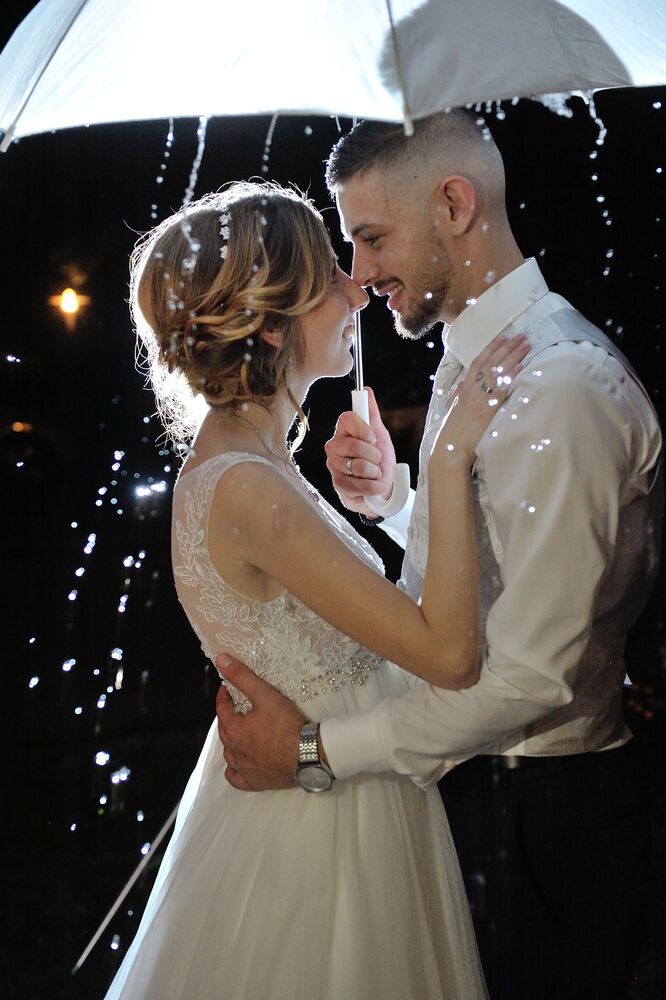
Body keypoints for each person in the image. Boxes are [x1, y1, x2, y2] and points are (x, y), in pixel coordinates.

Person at [215, 114, 664, 1000]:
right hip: (473, 791)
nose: (358, 273)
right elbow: (510, 556)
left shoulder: (563, 386)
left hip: (541, 820)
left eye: (373, 238)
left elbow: (532, 677)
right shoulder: (488, 358)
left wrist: (316, 751)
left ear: (454, 206)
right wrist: (399, 503)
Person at [104, 179, 528, 999]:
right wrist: (448, 458)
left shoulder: (256, 466)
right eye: (331, 274)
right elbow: (447, 653)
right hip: (322, 840)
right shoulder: (250, 489)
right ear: (272, 324)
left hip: (325, 798)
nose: (357, 288)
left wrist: (389, 498)